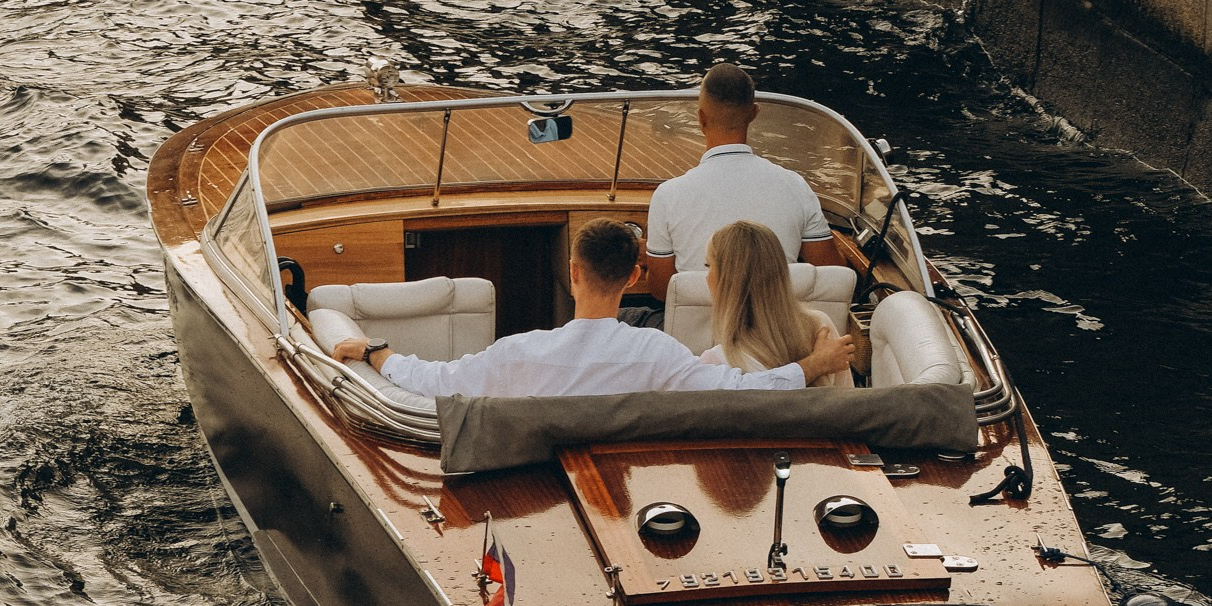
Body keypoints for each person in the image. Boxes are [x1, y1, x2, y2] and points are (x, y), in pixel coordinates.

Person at [331, 218, 852, 401]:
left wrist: (376, 351)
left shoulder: (520, 353)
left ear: (574, 271)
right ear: (632, 278)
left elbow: (434, 381)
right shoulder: (660, 355)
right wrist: (811, 367)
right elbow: (745, 391)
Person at [644, 61, 843, 289]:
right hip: (775, 324)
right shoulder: (795, 186)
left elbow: (660, 289)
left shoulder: (667, 196)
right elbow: (832, 273)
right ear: (754, 113)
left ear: (701, 119)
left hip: (698, 325)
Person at [698, 220, 852, 388]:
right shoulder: (820, 326)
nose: (706, 277)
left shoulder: (715, 363)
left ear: (728, 280)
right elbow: (848, 403)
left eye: (708, 266)